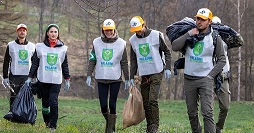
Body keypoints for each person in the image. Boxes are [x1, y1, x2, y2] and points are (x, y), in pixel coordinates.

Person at [172, 8, 226, 133]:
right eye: (197, 18)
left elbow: (222, 59)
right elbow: (175, 46)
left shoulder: (215, 37)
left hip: (205, 79)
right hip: (189, 78)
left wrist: (210, 76)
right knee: (192, 113)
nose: (199, 21)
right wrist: (189, 34)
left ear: (209, 21)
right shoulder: (189, 33)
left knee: (207, 113)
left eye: (203, 19)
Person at [129, 16, 172, 133]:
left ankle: (155, 127)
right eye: (135, 30)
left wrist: (168, 67)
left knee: (152, 99)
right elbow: (133, 60)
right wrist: (131, 77)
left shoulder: (156, 35)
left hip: (157, 71)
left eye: (139, 29)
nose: (138, 32)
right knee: (145, 101)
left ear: (144, 25)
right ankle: (150, 126)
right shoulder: (133, 40)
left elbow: (167, 51)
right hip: (144, 73)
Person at [86, 19, 129, 133]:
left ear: (114, 29)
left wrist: (128, 78)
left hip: (115, 78)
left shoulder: (121, 43)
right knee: (103, 105)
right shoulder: (96, 42)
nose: (108, 32)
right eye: (106, 30)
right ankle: (109, 122)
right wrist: (89, 74)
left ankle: (111, 129)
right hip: (101, 77)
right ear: (103, 30)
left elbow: (124, 62)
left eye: (110, 30)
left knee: (112, 104)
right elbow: (92, 59)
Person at [25, 24, 70, 132]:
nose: (53, 34)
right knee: (45, 104)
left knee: (53, 102)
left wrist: (67, 79)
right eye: (51, 32)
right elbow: (35, 63)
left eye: (55, 32)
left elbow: (65, 65)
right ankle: (47, 121)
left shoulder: (63, 48)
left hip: (56, 80)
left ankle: (53, 126)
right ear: (47, 33)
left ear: (58, 34)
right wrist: (30, 77)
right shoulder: (40, 47)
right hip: (43, 80)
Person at [2, 24, 35, 111]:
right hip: (14, 75)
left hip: (26, 76)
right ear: (17, 32)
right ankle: (12, 114)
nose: (22, 32)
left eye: (24, 30)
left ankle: (24, 114)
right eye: (20, 30)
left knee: (25, 96)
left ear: (26, 32)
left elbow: (34, 62)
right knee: (14, 96)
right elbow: (6, 61)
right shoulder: (11, 45)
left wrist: (34, 75)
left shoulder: (32, 46)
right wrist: (5, 76)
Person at [212, 16, 231, 133]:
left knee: (225, 107)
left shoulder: (225, 39)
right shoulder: (203, 38)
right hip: (208, 76)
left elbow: (238, 40)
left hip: (223, 76)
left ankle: (218, 128)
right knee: (206, 108)